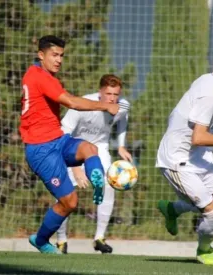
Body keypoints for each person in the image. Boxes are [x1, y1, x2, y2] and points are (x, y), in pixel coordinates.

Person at [20, 35, 121, 254]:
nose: (58, 60)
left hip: (57, 139)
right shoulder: (40, 77)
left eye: (61, 56)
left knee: (90, 149)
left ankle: (97, 181)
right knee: (70, 202)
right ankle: (41, 239)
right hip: (41, 150)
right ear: (41, 55)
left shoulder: (41, 75)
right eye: (54, 55)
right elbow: (72, 102)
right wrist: (104, 105)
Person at [155, 44, 213, 265]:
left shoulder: (208, 81)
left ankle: (173, 208)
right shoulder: (212, 95)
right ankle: (204, 250)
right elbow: (198, 137)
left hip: (198, 155)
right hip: (177, 160)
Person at [55, 74, 131, 254]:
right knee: (65, 195)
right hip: (73, 146)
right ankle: (61, 240)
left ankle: (99, 238)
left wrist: (121, 146)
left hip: (99, 148)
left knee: (108, 184)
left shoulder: (122, 106)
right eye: (108, 94)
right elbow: (63, 137)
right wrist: (75, 167)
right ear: (100, 92)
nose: (112, 98)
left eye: (115, 94)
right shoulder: (82, 105)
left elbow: (123, 120)